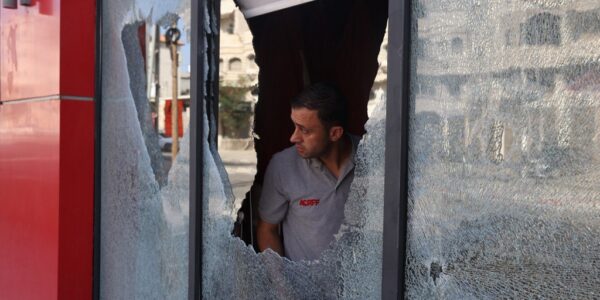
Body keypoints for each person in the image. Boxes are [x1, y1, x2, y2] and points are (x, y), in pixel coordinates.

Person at [257, 83, 359, 261]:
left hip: (364, 286)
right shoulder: (282, 166)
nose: (293, 137)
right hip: (305, 286)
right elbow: (267, 230)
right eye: (295, 126)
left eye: (304, 130)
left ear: (335, 133)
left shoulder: (373, 159)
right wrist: (282, 286)